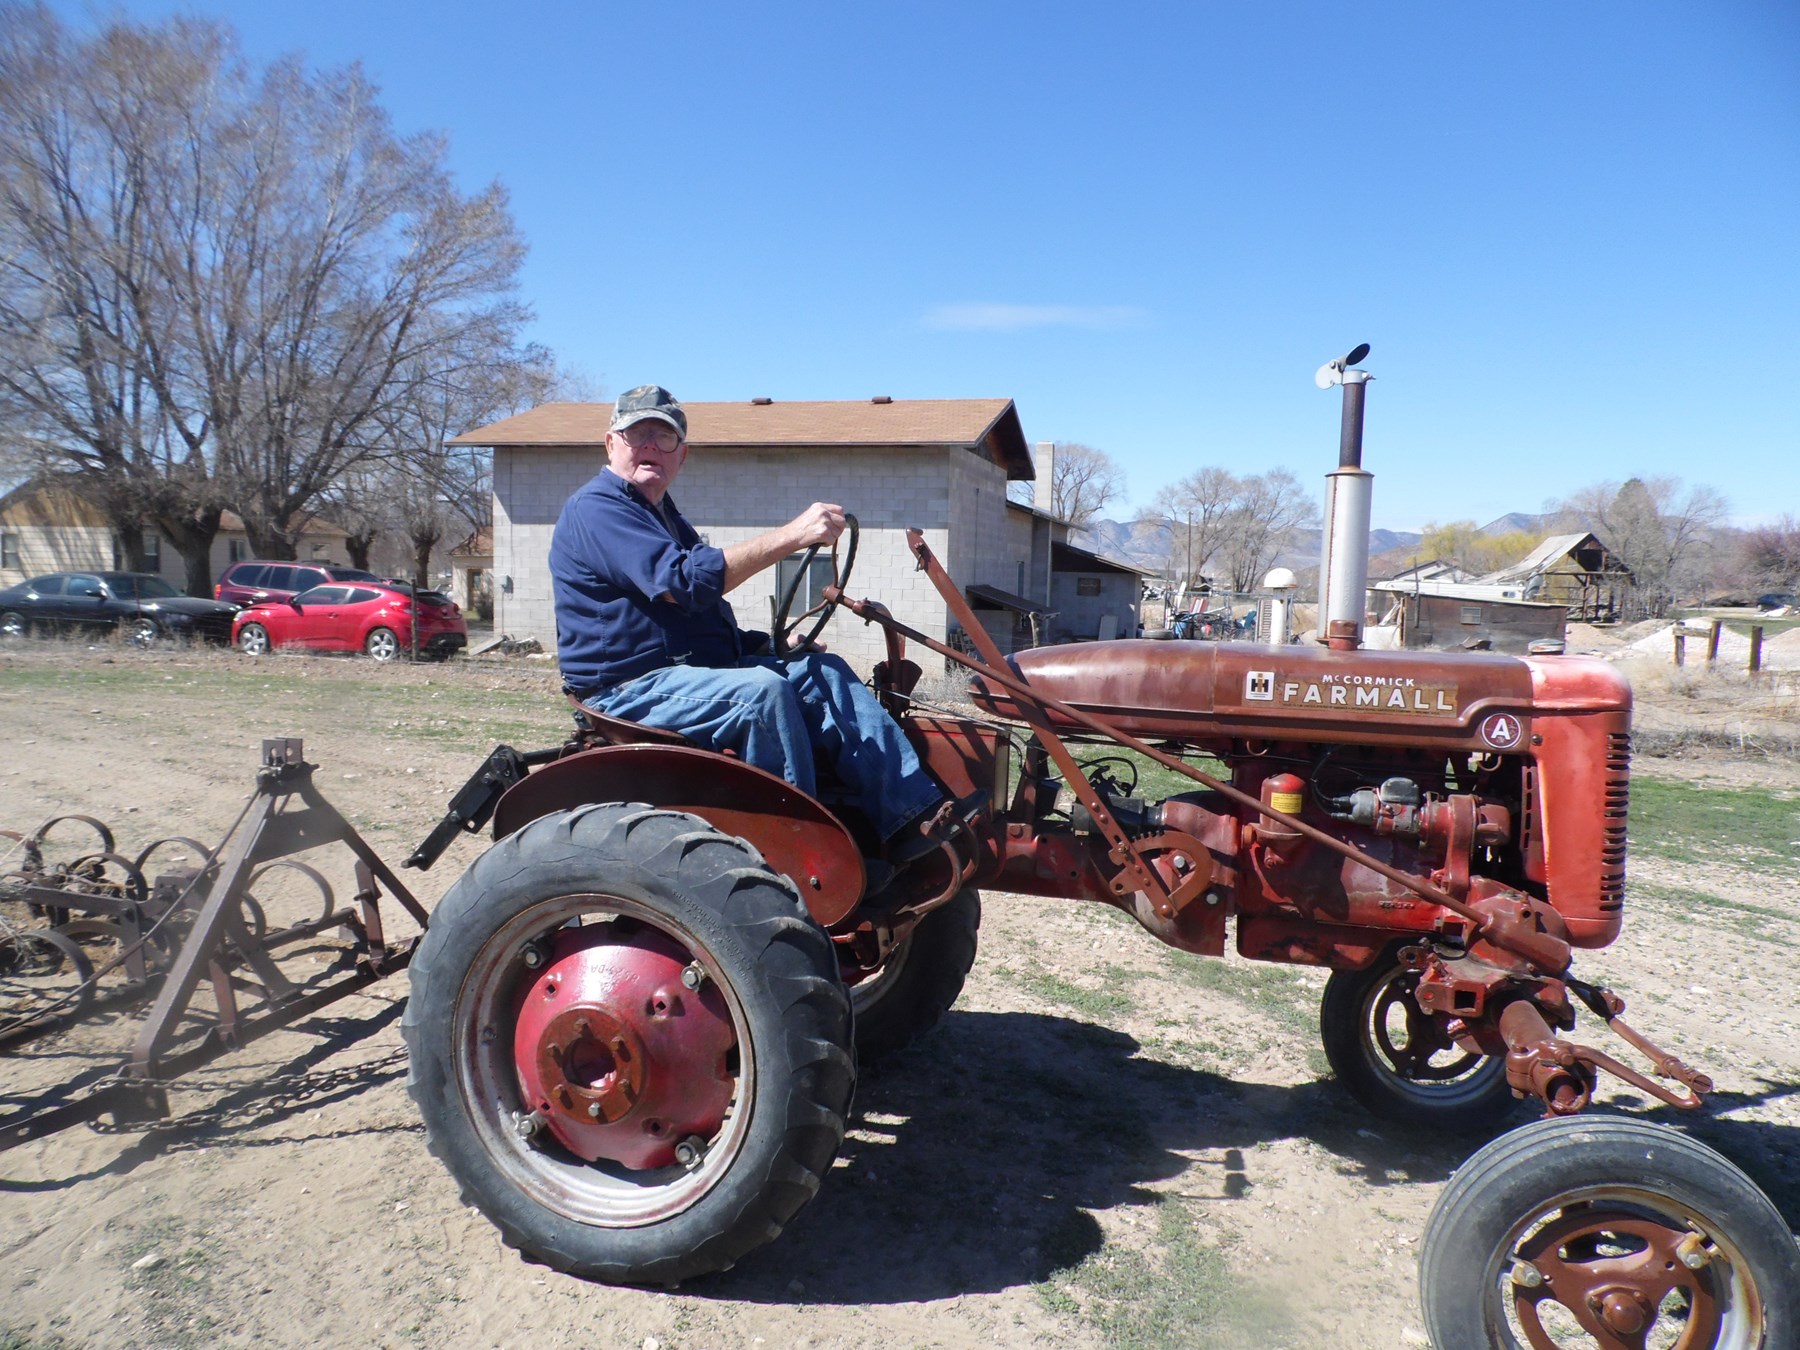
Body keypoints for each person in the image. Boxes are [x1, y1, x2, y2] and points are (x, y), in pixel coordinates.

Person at [549, 384, 977, 866]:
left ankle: (912, 818)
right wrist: (794, 535)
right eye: (637, 435)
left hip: (681, 670)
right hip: (626, 686)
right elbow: (685, 585)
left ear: (681, 455)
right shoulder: (598, 508)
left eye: (663, 438)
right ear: (611, 444)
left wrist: (767, 643)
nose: (650, 446)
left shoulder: (663, 517)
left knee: (823, 670)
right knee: (760, 694)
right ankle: (804, 855)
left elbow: (696, 619)